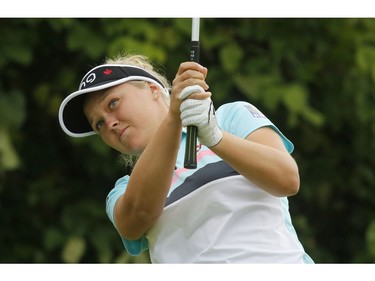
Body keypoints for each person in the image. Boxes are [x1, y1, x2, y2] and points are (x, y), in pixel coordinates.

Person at [58, 53, 314, 263]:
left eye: (113, 103)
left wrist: (215, 138)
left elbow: (287, 179)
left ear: (153, 90)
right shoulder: (123, 192)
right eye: (99, 124)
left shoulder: (231, 118)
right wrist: (173, 117)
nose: (109, 123)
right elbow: (137, 217)